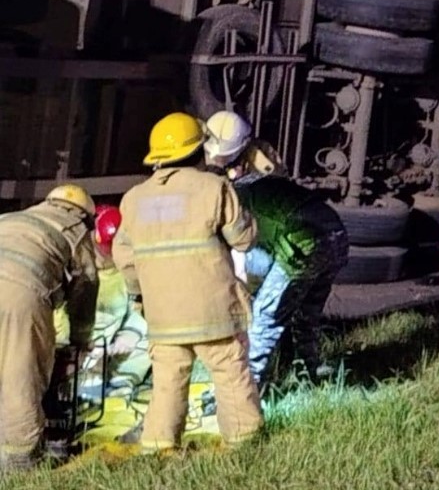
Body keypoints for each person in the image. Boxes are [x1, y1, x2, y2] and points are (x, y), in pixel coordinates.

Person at [113, 112, 263, 453]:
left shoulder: (134, 199)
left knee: (167, 383)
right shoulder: (214, 188)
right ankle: (245, 445)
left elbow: (125, 259)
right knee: (230, 373)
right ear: (199, 150)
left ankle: (158, 448)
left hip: (164, 316)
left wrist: (141, 299)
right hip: (214, 314)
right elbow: (244, 240)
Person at [204, 110, 348, 388]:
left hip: (302, 242)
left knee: (265, 318)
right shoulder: (261, 170)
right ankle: (311, 371)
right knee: (306, 314)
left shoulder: (231, 195)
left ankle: (248, 389)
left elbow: (241, 256)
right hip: (335, 234)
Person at [0, 185, 100, 471]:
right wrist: (80, 339)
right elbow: (86, 287)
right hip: (19, 295)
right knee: (20, 376)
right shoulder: (74, 229)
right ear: (84, 216)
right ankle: (19, 463)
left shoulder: (13, 218)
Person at [53, 205, 152, 401]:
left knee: (152, 338)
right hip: (74, 348)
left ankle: (120, 385)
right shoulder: (72, 269)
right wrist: (73, 348)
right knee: (75, 394)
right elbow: (54, 315)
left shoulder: (129, 272)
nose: (107, 255)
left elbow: (142, 306)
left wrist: (131, 332)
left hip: (110, 346)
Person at [203, 109, 286, 178]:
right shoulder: (209, 141)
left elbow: (274, 183)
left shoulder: (260, 160)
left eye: (223, 157)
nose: (214, 159)